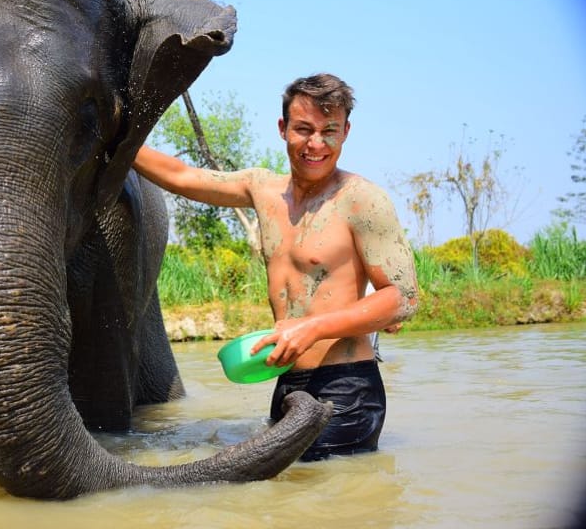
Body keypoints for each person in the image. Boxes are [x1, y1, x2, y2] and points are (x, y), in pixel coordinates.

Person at [132, 73, 418, 461]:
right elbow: (182, 177)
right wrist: (117, 136)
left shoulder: (363, 200)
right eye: (303, 129)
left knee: (326, 502)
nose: (316, 144)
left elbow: (403, 298)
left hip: (347, 390)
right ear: (283, 129)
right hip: (286, 384)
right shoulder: (262, 189)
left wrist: (312, 328)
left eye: (329, 131)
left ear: (346, 132)